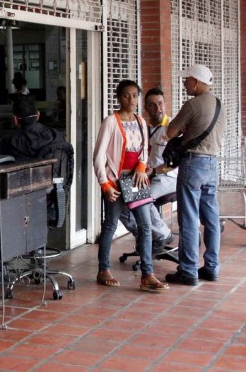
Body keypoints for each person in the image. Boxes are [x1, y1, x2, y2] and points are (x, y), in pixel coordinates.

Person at [92, 79, 169, 291]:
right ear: (118, 98)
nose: (131, 99)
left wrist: (142, 167)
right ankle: (103, 269)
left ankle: (147, 275)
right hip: (115, 182)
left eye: (135, 95)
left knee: (145, 226)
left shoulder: (141, 122)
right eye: (126, 95)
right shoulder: (110, 121)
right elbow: (98, 156)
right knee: (110, 225)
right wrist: (105, 183)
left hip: (136, 181)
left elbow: (144, 150)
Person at [164, 64, 226, 286]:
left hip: (193, 164)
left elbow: (170, 131)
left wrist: (183, 130)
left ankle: (188, 270)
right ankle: (212, 267)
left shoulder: (192, 104)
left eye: (187, 79)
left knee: (188, 217)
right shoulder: (219, 104)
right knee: (210, 218)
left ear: (198, 82)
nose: (184, 83)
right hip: (212, 165)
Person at [119, 88, 176, 251]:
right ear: (146, 108)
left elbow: (177, 161)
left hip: (167, 177)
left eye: (160, 104)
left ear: (165, 104)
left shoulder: (172, 128)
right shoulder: (142, 127)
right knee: (121, 201)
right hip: (144, 176)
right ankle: (144, 236)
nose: (157, 109)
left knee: (142, 197)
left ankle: (164, 234)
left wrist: (155, 171)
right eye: (152, 105)